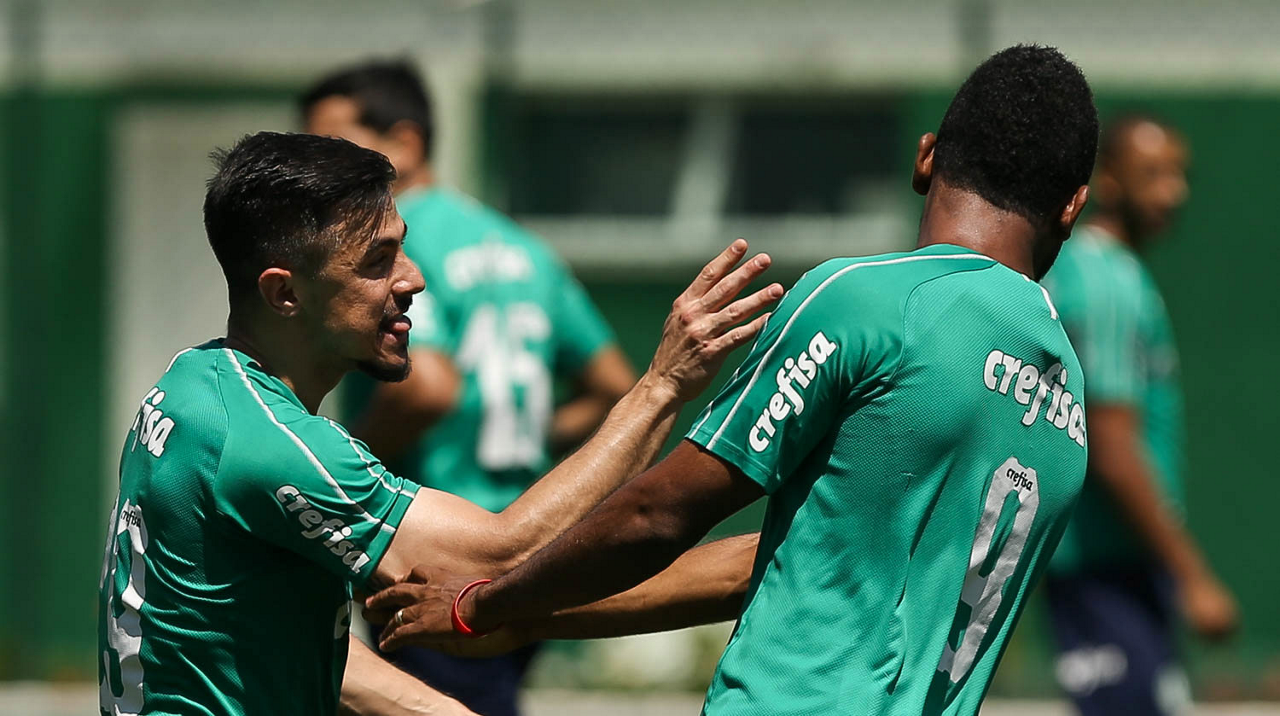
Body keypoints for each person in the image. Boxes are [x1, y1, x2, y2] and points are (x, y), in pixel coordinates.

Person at [370, 44, 1099, 716]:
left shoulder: (870, 301)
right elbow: (769, 563)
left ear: (926, 158)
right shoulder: (1066, 402)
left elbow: (660, 513)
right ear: (1072, 205)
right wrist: (523, 614)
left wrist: (483, 605)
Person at [96, 130, 781, 716]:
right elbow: (500, 553)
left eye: (402, 247)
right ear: (285, 293)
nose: (414, 279)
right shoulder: (269, 445)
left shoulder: (189, 387)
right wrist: (664, 385)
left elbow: (293, 649)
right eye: (376, 262)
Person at [301, 63, 635, 714]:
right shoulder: (521, 247)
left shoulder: (390, 238)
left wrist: (330, 467)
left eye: (333, 145)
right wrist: (525, 434)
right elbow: (613, 387)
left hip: (435, 551)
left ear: (403, 142)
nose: (318, 166)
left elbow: (427, 387)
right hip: (530, 537)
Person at [1039, 115, 1238, 714]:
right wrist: (1193, 575)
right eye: (1152, 174)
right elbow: (1111, 443)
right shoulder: (1107, 283)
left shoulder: (1094, 271)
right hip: (1104, 570)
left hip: (1115, 568)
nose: (1172, 192)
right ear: (1107, 180)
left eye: (1179, 174)